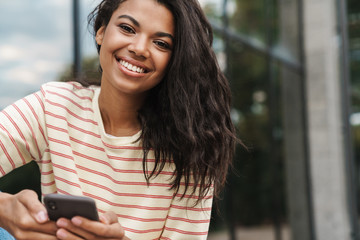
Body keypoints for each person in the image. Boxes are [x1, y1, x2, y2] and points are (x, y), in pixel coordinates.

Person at [0, 0, 238, 239]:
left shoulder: (194, 146)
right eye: (127, 28)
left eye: (161, 43)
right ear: (101, 31)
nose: (139, 48)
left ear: (176, 60)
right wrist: (5, 210)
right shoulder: (53, 106)